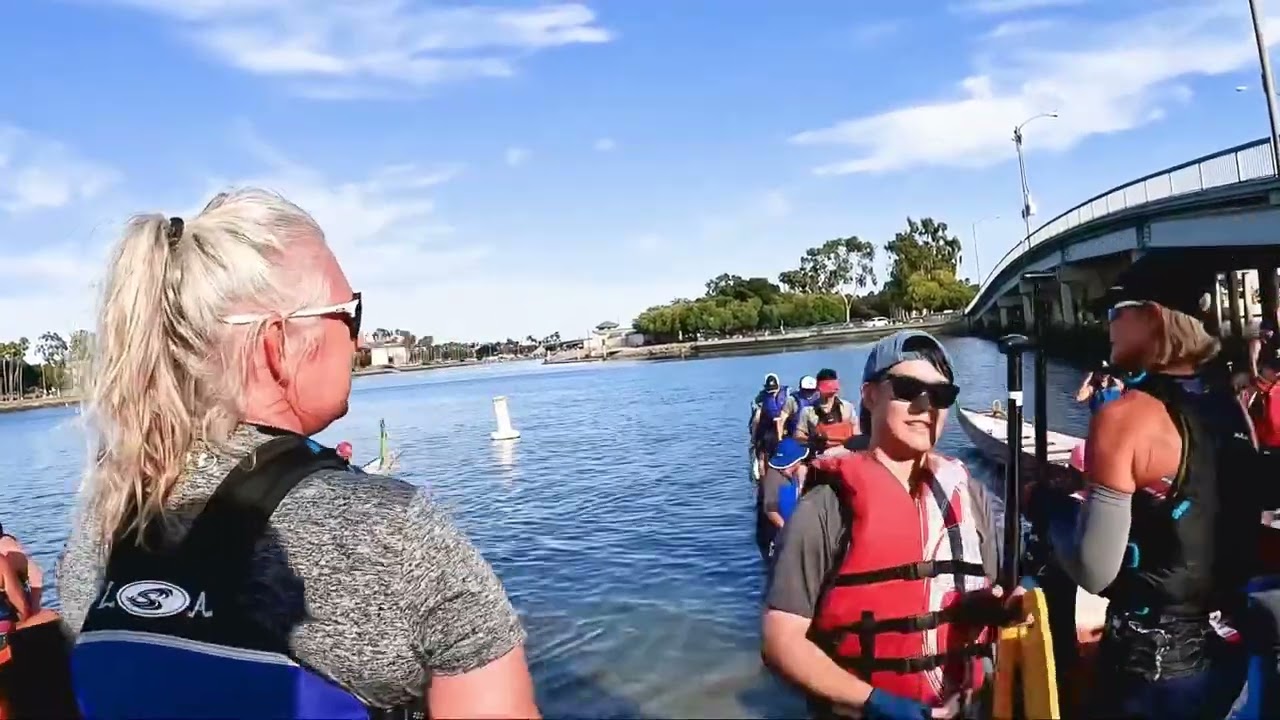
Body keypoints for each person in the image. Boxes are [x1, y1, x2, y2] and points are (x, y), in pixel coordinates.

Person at [56, 189, 539, 719]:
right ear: (277, 343)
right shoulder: (392, 534)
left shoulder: (103, 524)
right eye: (349, 313)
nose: (357, 342)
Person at [762, 331, 1017, 719]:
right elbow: (781, 640)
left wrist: (994, 607)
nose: (925, 405)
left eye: (941, 395)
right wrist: (875, 703)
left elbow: (985, 588)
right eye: (907, 388)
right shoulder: (825, 508)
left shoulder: (971, 497)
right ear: (869, 395)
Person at [1049, 266, 1258, 720]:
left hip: (1148, 673)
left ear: (1152, 318)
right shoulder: (1229, 407)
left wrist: (1044, 506)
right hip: (1224, 656)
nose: (1106, 323)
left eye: (1114, 310)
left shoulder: (1125, 417)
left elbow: (1094, 569)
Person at [755, 438, 809, 562]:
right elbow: (770, 510)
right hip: (777, 535)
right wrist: (787, 529)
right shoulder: (773, 478)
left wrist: (801, 483)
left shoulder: (798, 473)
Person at [793, 368, 859, 453]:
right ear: (818, 388)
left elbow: (856, 432)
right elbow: (799, 435)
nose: (831, 394)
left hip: (846, 453)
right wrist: (814, 441)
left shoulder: (847, 407)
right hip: (821, 455)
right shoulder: (808, 411)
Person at [751, 373, 789, 480]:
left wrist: (753, 438)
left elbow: (756, 420)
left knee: (762, 457)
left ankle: (763, 482)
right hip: (774, 432)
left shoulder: (761, 399)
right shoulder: (786, 396)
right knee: (767, 456)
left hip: (770, 432)